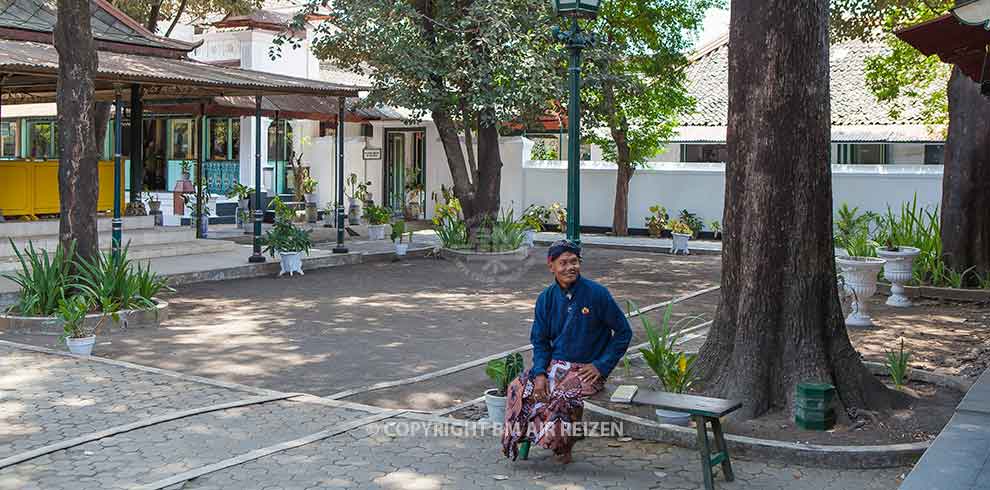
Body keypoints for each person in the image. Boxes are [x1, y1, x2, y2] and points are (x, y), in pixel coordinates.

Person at [502, 240, 632, 464]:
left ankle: (562, 447)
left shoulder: (597, 294)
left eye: (574, 262)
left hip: (587, 369)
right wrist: (541, 372)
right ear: (551, 265)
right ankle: (518, 438)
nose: (570, 267)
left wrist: (601, 365)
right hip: (555, 365)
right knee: (518, 386)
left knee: (563, 395)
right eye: (563, 263)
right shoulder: (546, 298)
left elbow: (623, 332)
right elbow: (540, 340)